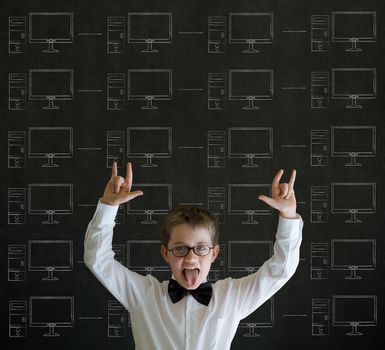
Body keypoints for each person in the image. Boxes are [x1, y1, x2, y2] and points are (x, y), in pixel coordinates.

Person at [84, 161, 303, 350]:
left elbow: (280, 270)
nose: (190, 258)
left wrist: (288, 215)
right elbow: (98, 260)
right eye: (180, 248)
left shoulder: (231, 297)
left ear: (214, 253)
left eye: (200, 248)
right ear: (165, 253)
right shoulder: (143, 295)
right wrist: (108, 207)